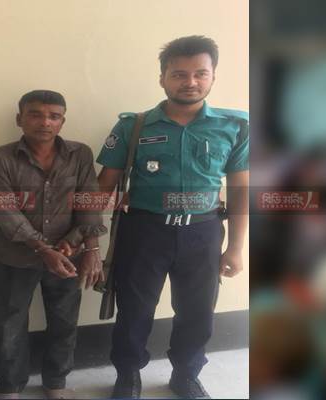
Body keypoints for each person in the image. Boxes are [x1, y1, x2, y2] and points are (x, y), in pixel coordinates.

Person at [96, 35, 249, 399]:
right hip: (144, 231)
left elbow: (241, 189)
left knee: (197, 312)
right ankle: (127, 376)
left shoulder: (235, 126)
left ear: (213, 76)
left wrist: (236, 247)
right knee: (134, 309)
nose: (190, 82)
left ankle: (186, 374)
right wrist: (86, 238)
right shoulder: (133, 126)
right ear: (162, 78)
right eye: (179, 74)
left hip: (203, 231)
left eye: (200, 73)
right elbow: (104, 186)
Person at [0, 90, 107, 399]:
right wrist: (44, 248)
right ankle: (10, 386)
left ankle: (55, 382)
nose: (45, 122)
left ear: (62, 121)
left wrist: (81, 243)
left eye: (54, 116)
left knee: (64, 323)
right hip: (15, 257)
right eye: (36, 114)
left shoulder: (80, 154)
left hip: (68, 255)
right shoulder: (0, 157)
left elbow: (88, 200)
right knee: (10, 325)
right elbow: (5, 210)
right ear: (20, 119)